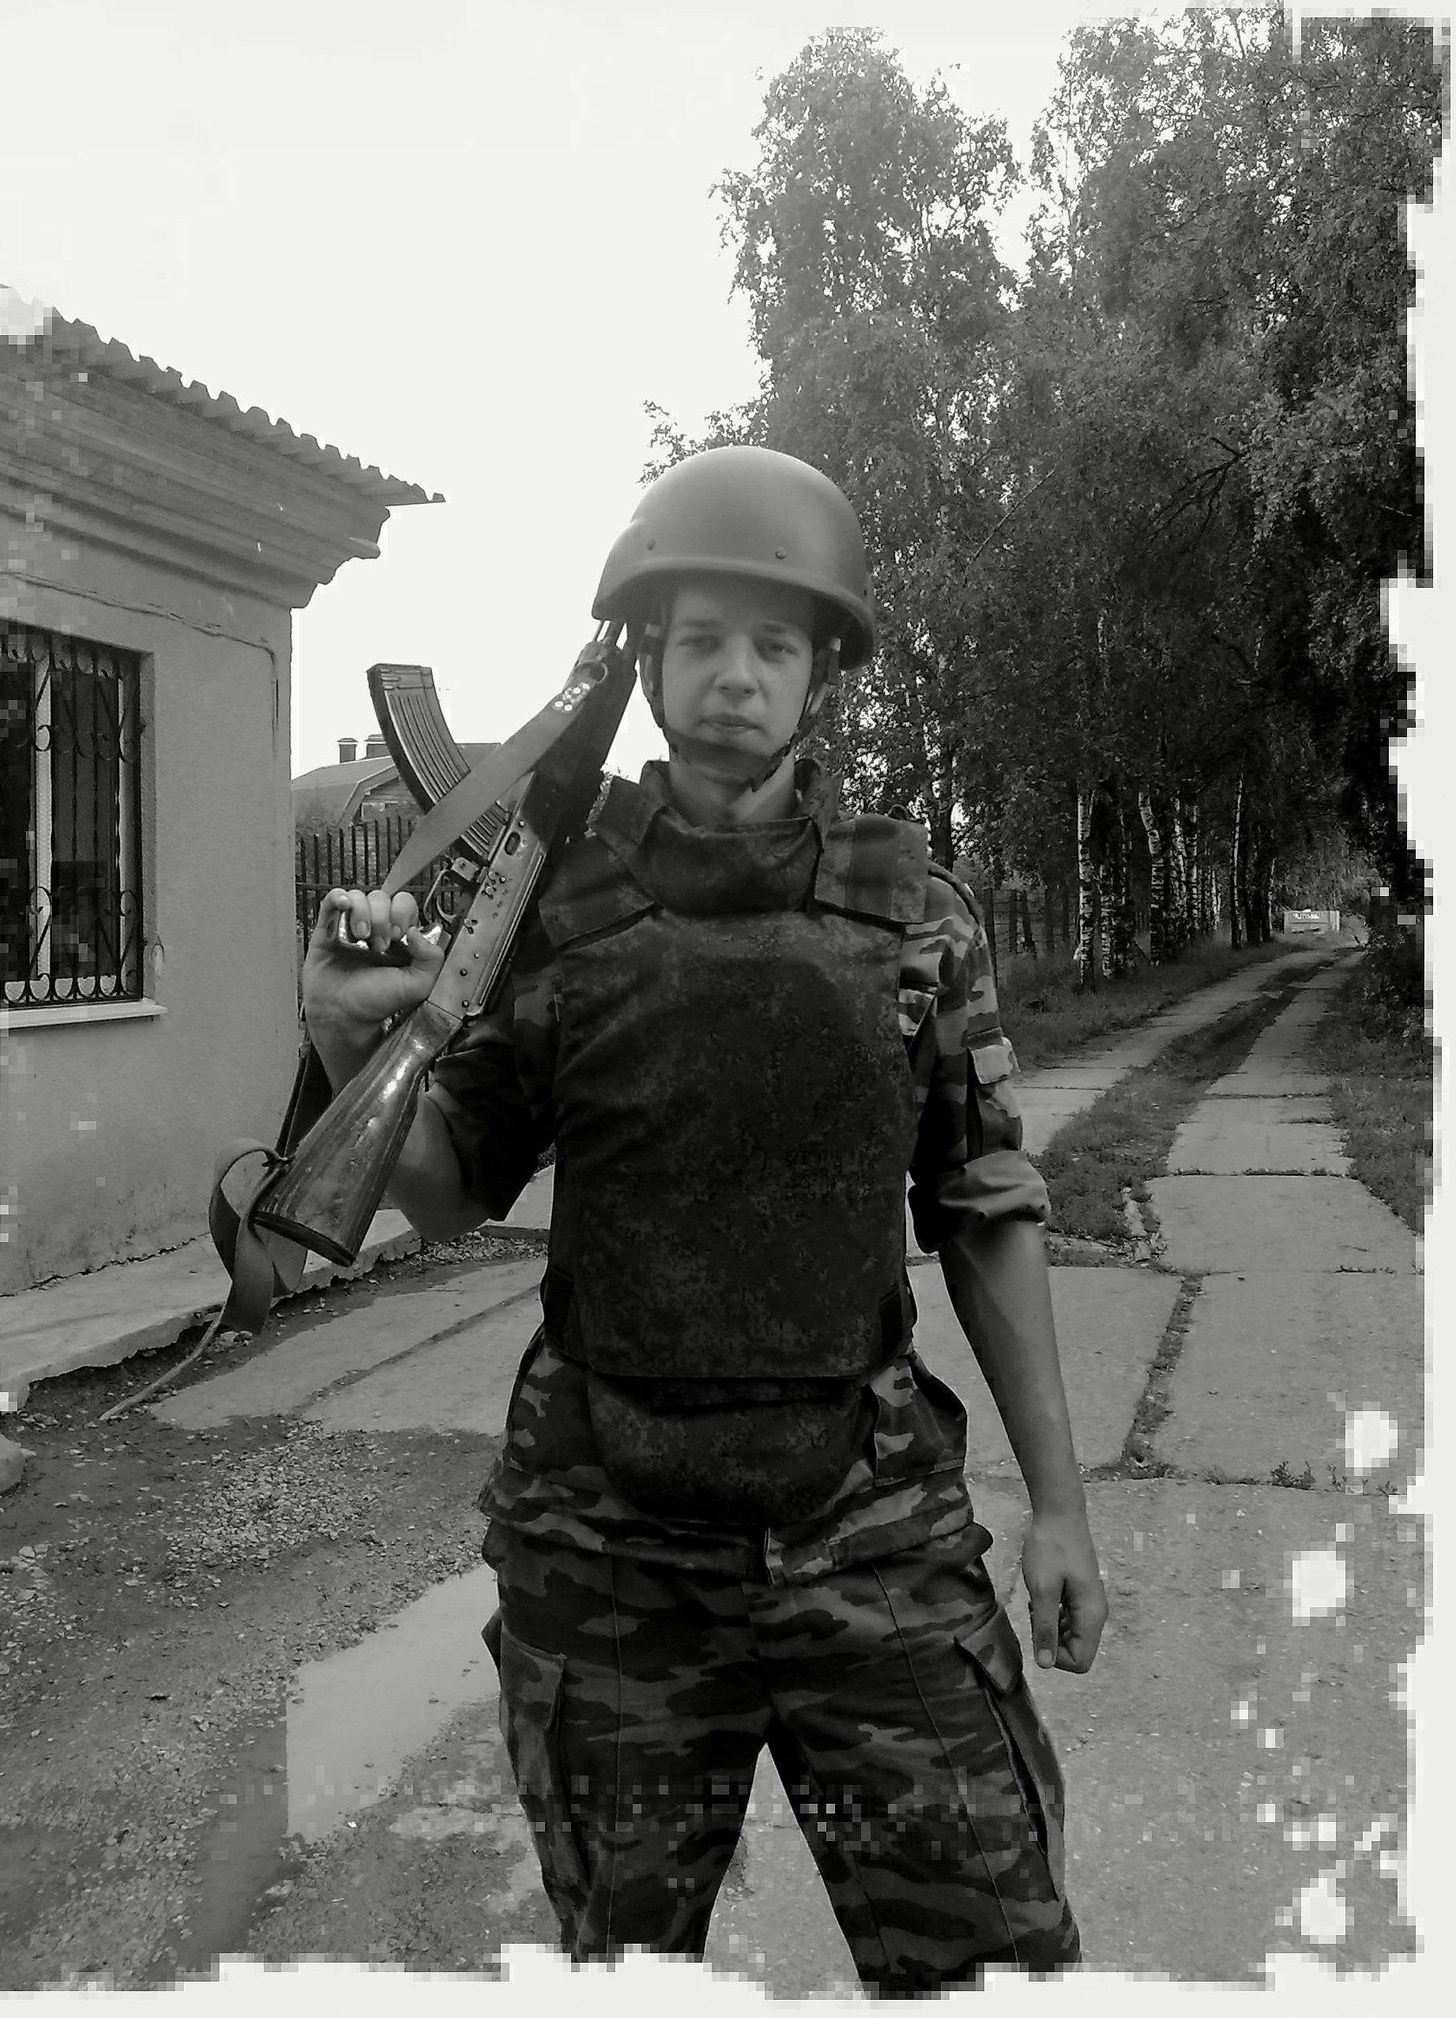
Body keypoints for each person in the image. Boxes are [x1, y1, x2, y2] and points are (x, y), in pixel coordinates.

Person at [301, 445, 1108, 1992]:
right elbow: (453, 1184)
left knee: (1002, 1958)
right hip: (609, 1554)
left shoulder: (918, 920)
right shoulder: (552, 910)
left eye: (775, 644)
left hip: (869, 1534)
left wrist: (1060, 1508)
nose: (737, 675)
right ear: (650, 663)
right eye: (705, 640)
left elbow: (984, 1204)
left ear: (822, 676)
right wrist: (354, 1046)